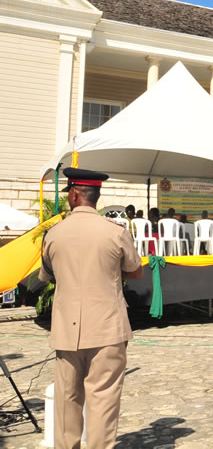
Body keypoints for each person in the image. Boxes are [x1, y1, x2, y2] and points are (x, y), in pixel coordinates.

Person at [40, 168, 143, 448]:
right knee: (104, 400)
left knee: (67, 399)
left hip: (67, 329)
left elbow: (46, 275)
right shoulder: (115, 232)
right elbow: (135, 272)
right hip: (107, 326)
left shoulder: (53, 234)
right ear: (95, 196)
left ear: (74, 194)